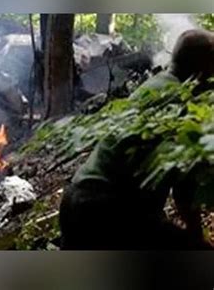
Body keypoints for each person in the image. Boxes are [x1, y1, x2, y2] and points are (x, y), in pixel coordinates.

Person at [59, 29, 214, 250]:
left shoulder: (157, 85)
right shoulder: (182, 101)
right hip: (107, 211)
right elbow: (185, 188)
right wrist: (197, 236)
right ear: (203, 69)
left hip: (79, 202)